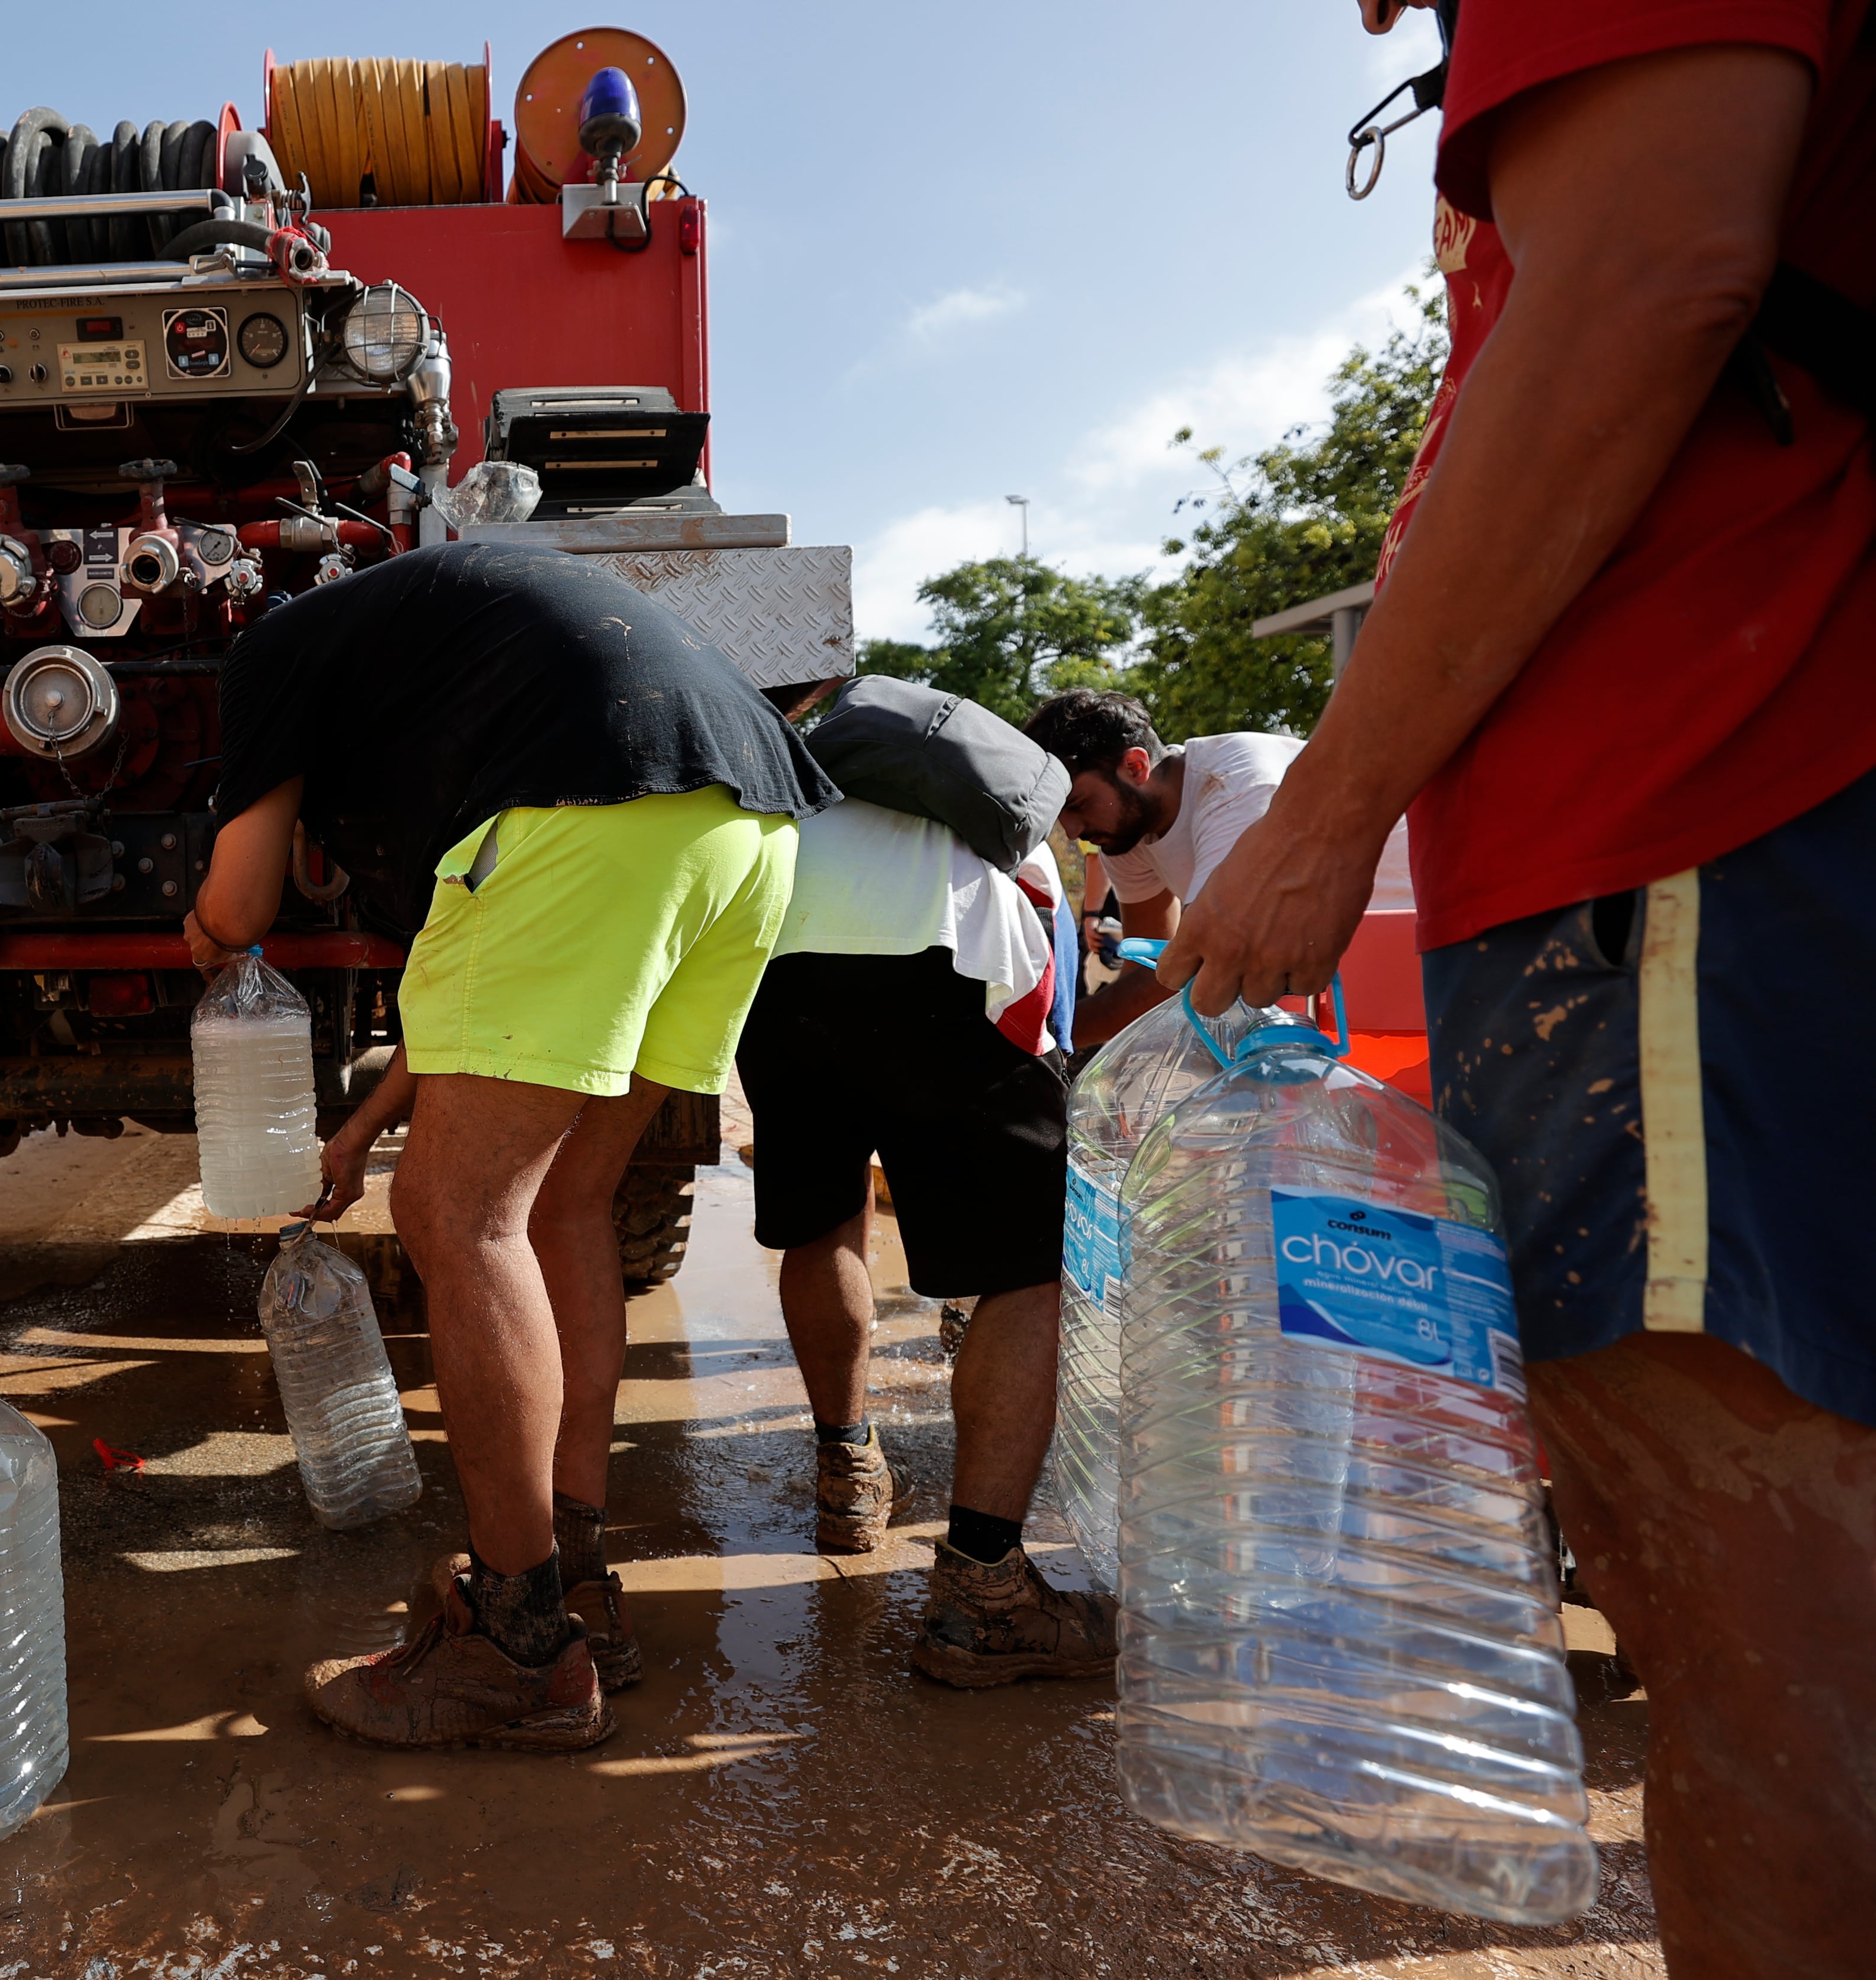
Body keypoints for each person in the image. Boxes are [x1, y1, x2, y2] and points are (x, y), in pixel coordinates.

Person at [1168, 7, 1874, 1973]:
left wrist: (1326, 820)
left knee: (1762, 1634)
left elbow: (1654, 272)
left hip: (1700, 802)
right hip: (1729, 834)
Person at [187, 542, 833, 1751]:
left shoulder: (273, 648)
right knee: (559, 1206)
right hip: (745, 827)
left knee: (458, 1218)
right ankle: (575, 1577)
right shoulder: (444, 643)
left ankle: (516, 1642)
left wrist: (203, 932)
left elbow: (241, 906)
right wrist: (369, 1126)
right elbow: (483, 1001)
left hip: (586, 815)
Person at [738, 679, 1113, 1687]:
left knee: (825, 1225)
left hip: (780, 971)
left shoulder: (792, 783)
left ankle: (847, 1471)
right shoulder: (990, 802)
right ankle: (984, 1588)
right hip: (942, 961)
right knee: (1029, 1267)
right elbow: (1041, 985)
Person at [1021, 692, 1413, 1047]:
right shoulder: (1127, 831)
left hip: (1404, 970)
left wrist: (1039, 1039)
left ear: (1135, 766)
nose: (1071, 831)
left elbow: (1206, 964)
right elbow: (1154, 977)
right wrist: (1050, 1038)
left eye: (1079, 803)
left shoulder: (1233, 786)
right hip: (1341, 986)